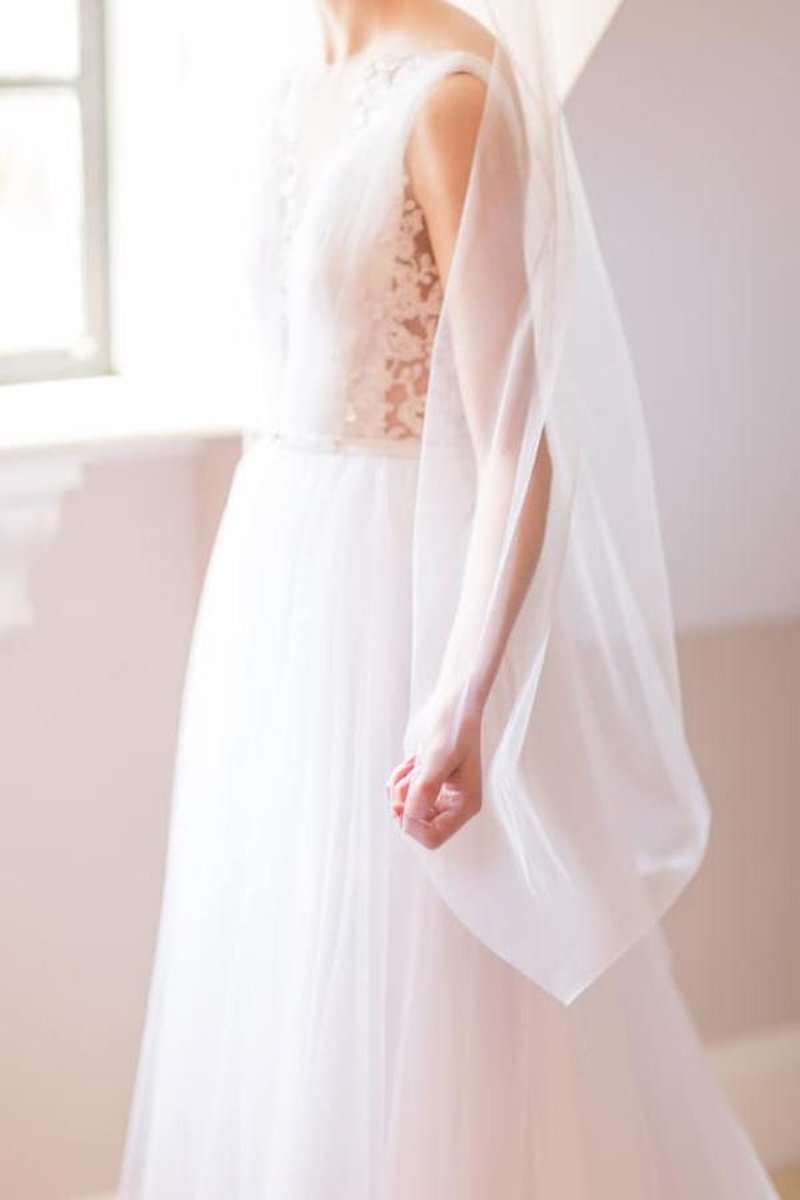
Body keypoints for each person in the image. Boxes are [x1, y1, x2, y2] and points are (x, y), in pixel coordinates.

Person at [118, 1, 780, 1195]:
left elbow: (516, 448)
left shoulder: (451, 96)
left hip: (400, 607)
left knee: (423, 1010)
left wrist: (458, 699)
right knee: (282, 992)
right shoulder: (296, 76)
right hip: (277, 592)